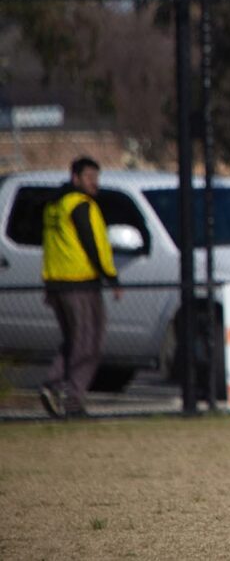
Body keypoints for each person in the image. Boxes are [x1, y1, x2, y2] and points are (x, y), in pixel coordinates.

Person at [40, 156, 122, 419]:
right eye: (89, 177)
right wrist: (111, 277)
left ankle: (53, 385)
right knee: (88, 343)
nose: (94, 183)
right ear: (75, 178)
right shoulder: (81, 205)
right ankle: (72, 399)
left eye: (96, 177)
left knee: (73, 340)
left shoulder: (54, 205)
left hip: (56, 282)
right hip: (80, 283)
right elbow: (93, 243)